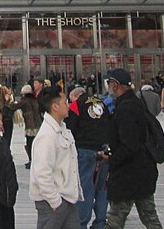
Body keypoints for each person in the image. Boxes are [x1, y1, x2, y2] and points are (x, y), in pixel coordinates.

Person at [105, 68, 164, 229]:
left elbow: (129, 144)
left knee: (115, 220)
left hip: (128, 175)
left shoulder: (125, 109)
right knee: (150, 217)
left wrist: (111, 160)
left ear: (116, 85)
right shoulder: (136, 104)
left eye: (110, 83)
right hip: (144, 172)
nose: (109, 86)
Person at [30, 85, 81, 229]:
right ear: (55, 107)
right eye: (65, 102)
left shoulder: (62, 129)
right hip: (53, 202)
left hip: (67, 198)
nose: (68, 105)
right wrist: (55, 202)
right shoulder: (47, 135)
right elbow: (42, 173)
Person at [66, 84, 110, 229]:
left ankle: (82, 222)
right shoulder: (102, 103)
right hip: (104, 150)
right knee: (102, 188)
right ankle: (101, 222)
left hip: (85, 149)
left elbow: (69, 127)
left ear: (75, 96)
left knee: (85, 187)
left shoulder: (76, 105)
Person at [13, 84, 43, 169]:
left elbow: (14, 106)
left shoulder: (24, 100)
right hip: (38, 123)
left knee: (30, 143)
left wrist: (9, 101)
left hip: (30, 125)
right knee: (36, 143)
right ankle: (36, 160)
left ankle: (31, 160)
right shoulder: (34, 100)